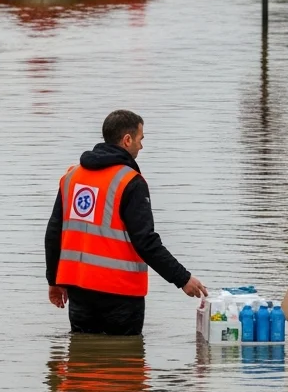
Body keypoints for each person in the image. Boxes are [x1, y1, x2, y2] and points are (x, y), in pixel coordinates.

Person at [45, 110, 207, 335]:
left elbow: (54, 233)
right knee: (125, 366)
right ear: (127, 140)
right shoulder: (131, 182)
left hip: (79, 290)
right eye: (141, 139)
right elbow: (146, 241)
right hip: (120, 295)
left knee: (81, 364)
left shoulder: (71, 178)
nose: (141, 146)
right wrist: (183, 279)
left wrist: (53, 280)